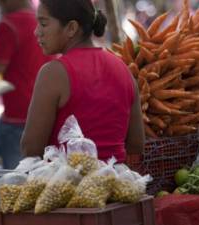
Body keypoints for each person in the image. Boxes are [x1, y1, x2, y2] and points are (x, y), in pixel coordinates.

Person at [21, 0, 145, 162]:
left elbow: (30, 148)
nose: (37, 32)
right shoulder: (123, 69)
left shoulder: (53, 73)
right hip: (117, 183)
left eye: (44, 24)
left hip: (66, 184)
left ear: (71, 28)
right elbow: (136, 144)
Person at [0, 0, 54, 169]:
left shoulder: (10, 23)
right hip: (44, 112)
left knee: (9, 180)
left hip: (17, 115)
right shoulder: (42, 20)